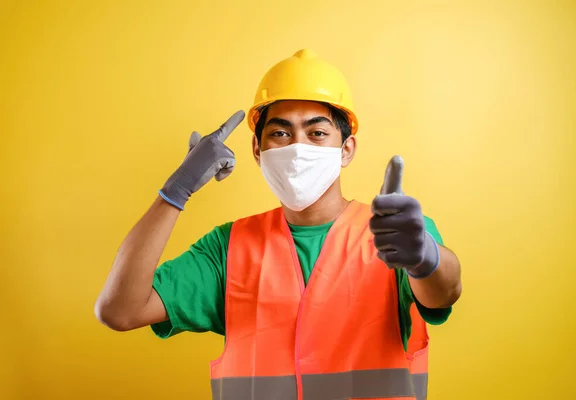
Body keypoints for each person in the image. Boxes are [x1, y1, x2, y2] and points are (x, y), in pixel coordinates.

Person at [95, 49, 462, 400]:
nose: (297, 146)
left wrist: (424, 258)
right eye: (280, 133)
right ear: (258, 150)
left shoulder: (394, 233)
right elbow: (120, 311)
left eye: (317, 133)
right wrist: (176, 191)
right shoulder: (229, 248)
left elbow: (443, 293)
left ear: (346, 149)